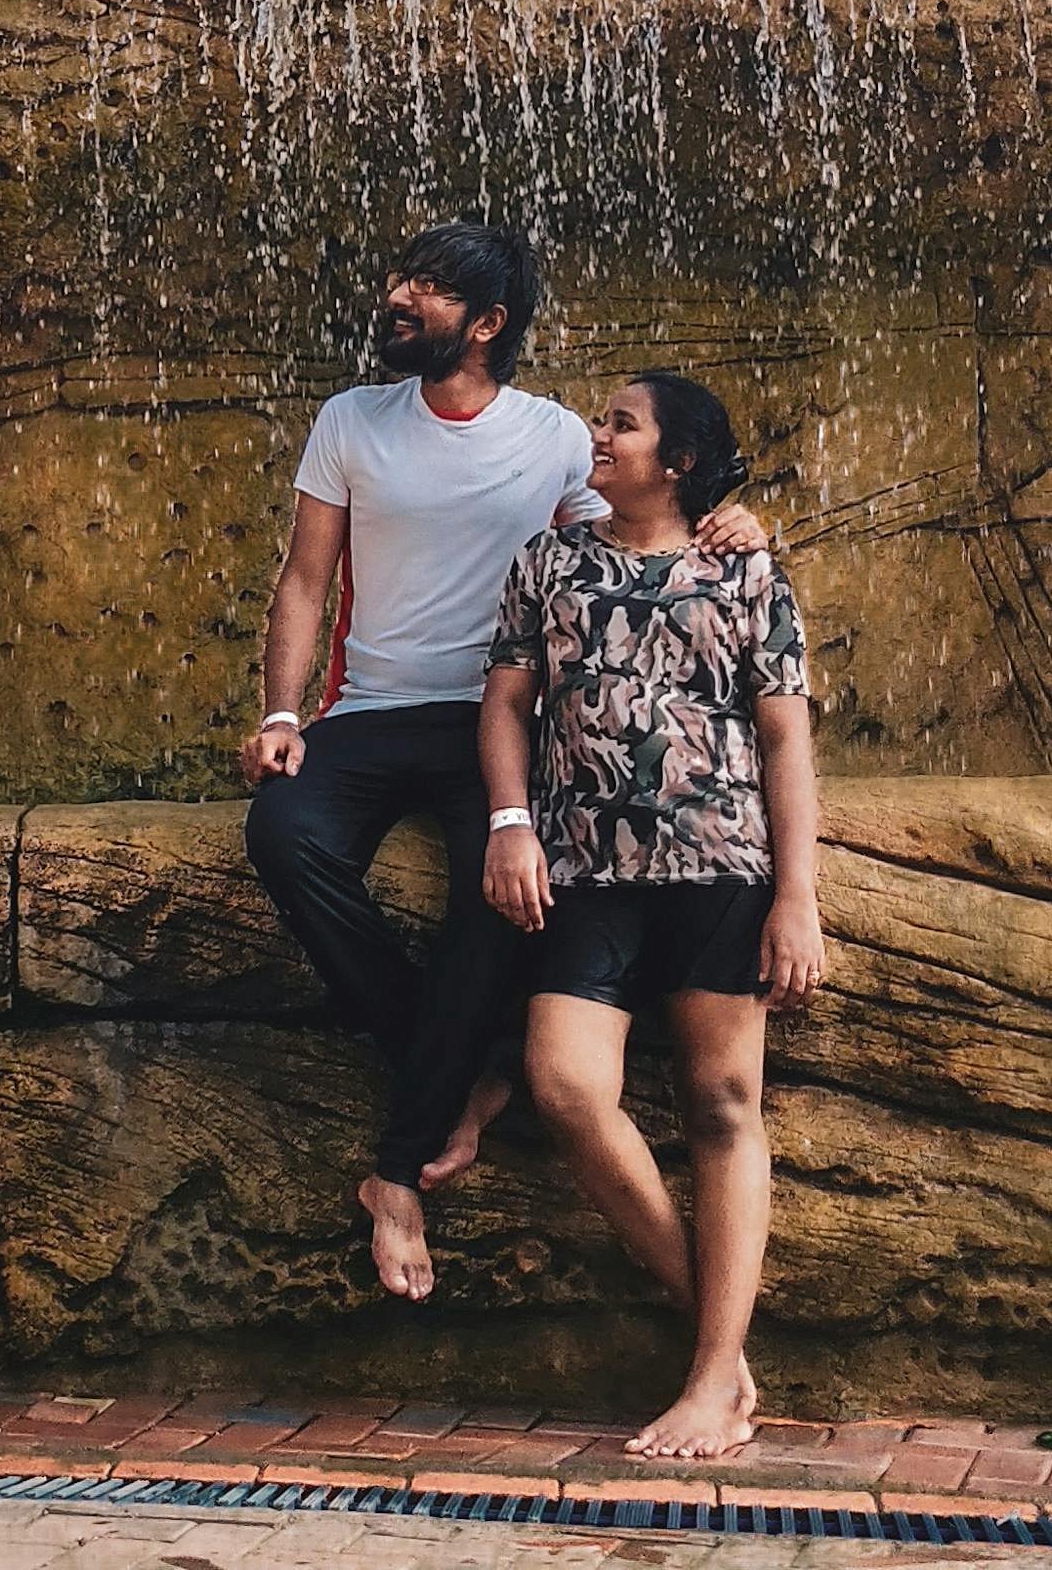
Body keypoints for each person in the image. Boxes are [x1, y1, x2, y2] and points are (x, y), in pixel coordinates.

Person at [239, 223, 760, 1302]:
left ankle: (397, 1171)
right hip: (369, 710)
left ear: (487, 323)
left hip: (497, 721)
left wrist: (733, 523)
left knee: (502, 894)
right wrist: (282, 714)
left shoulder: (557, 437)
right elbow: (304, 579)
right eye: (402, 275)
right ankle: (461, 1068)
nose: (398, 295)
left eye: (428, 287)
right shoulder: (349, 421)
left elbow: (642, 530)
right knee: (283, 836)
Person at [480, 370, 822, 1462]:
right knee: (567, 1087)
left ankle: (713, 1377)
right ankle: (717, 1340)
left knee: (722, 1106)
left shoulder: (746, 567)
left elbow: (784, 737)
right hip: (583, 873)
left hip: (722, 869)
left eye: (620, 424)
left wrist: (797, 897)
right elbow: (506, 706)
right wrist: (510, 823)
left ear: (676, 461)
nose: (598, 435)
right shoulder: (548, 562)